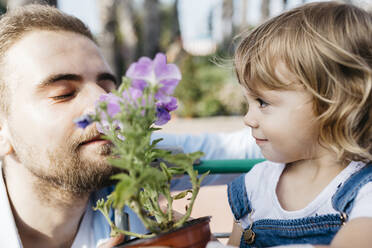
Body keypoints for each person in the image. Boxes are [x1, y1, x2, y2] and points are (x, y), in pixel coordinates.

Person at [0, 4, 262, 248]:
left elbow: (247, 147)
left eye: (107, 87)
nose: (103, 103)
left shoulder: (130, 156)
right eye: (63, 93)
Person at [219, 1, 372, 247]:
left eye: (263, 102)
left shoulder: (365, 191)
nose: (248, 119)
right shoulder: (257, 185)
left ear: (333, 101)